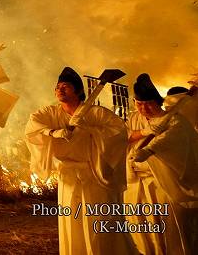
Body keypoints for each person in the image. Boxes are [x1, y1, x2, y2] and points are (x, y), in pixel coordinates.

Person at [25, 67, 136, 255]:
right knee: (72, 223)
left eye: (66, 87)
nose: (60, 90)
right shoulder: (50, 113)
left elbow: (119, 132)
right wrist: (52, 132)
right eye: (58, 87)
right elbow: (32, 128)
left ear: (78, 91)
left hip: (94, 175)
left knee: (98, 222)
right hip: (67, 177)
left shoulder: (95, 113)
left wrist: (91, 130)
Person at [125, 73, 198, 254]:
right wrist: (144, 131)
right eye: (139, 104)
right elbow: (122, 136)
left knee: (168, 227)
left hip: (164, 184)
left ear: (158, 102)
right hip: (137, 183)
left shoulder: (176, 121)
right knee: (143, 227)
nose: (144, 108)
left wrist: (148, 150)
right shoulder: (134, 118)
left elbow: (169, 139)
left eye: (148, 103)